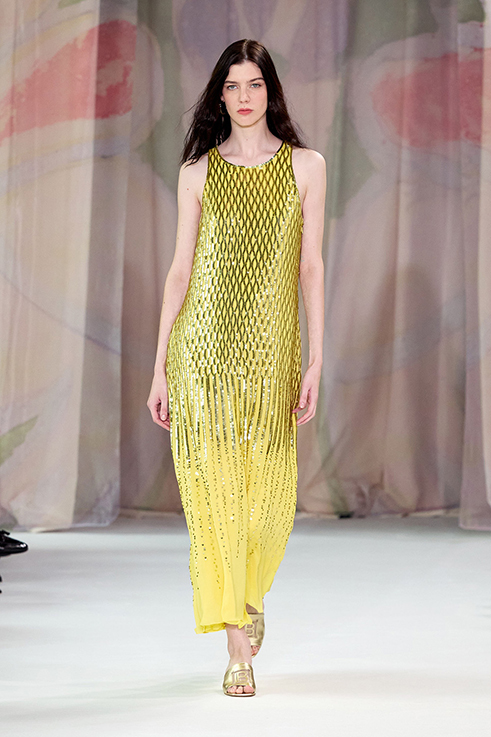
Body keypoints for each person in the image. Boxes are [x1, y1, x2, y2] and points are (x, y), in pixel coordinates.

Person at [147, 39, 326, 697]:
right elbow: (179, 271)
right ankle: (236, 648)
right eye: (231, 86)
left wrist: (315, 357)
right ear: (219, 96)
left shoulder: (306, 166)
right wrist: (160, 368)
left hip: (271, 354)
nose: (243, 97)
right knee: (213, 499)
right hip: (201, 353)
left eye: (254, 84)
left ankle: (249, 594)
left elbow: (311, 266)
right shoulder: (197, 172)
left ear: (269, 91)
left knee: (267, 503)